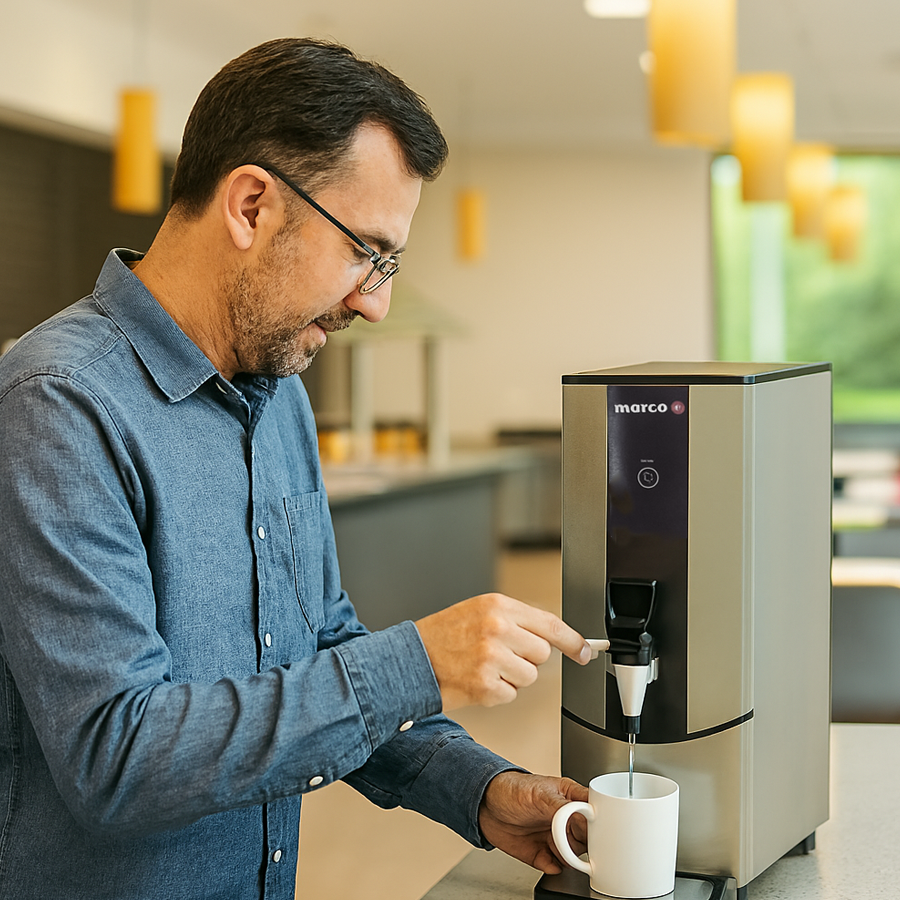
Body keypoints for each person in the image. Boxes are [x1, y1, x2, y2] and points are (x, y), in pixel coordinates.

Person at [0, 38, 590, 899]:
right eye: (366, 251)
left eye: (389, 265)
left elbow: (313, 650)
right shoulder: (56, 405)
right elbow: (116, 758)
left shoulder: (277, 394)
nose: (375, 301)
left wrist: (481, 792)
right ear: (250, 206)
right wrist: (418, 662)